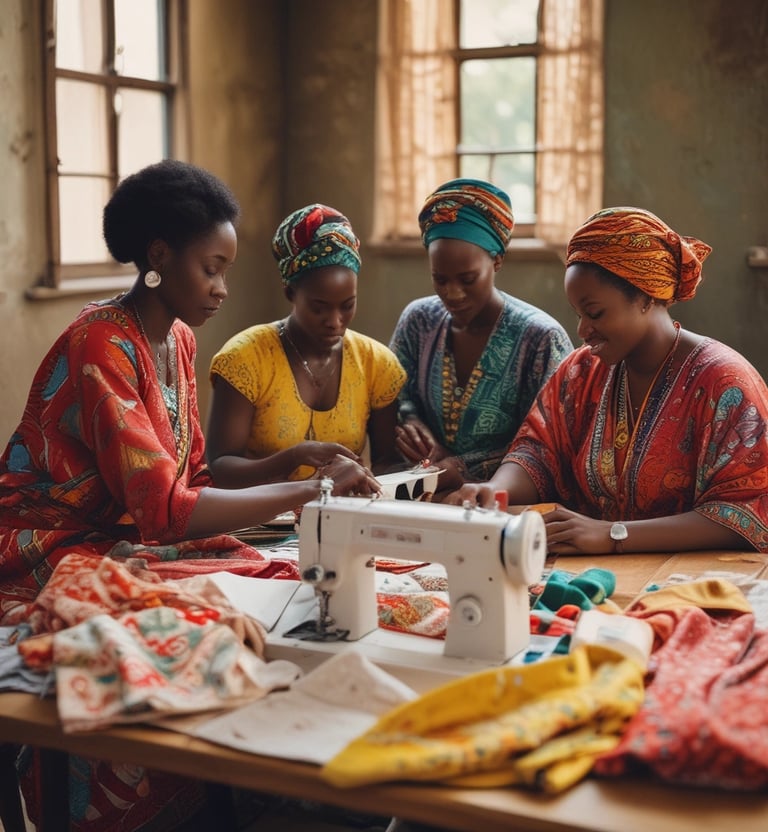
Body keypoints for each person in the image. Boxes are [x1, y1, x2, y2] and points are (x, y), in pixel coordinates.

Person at [0, 160, 386, 831]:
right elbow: (167, 512)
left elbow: (194, 479)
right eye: (212, 268)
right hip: (44, 550)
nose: (221, 289)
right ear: (159, 257)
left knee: (280, 578)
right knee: (201, 623)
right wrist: (305, 494)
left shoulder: (175, 336)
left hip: (121, 537)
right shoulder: (101, 345)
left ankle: (250, 785)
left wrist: (290, 465)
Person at [447, 206, 768, 554]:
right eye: (578, 314)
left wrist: (612, 535)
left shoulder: (724, 382)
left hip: (696, 577)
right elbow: (539, 451)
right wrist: (494, 491)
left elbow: (747, 511)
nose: (582, 330)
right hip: (595, 569)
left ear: (645, 296)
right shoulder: (584, 370)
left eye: (595, 313)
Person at [388, 178, 573, 494]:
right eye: (439, 279)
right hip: (424, 496)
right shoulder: (419, 321)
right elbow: (394, 395)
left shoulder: (540, 339)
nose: (452, 293)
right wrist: (412, 426)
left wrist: (462, 467)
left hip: (507, 504)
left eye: (467, 279)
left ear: (497, 261)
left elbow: (549, 443)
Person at [206, 203, 406, 489]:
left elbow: (389, 461)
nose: (335, 321)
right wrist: (294, 457)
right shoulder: (245, 359)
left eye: (347, 306)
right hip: (257, 522)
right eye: (319, 307)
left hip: (339, 515)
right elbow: (221, 467)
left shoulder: (377, 364)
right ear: (290, 292)